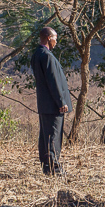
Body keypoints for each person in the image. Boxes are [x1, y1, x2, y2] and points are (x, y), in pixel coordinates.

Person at [31, 27, 72, 176]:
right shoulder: (46, 56)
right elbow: (53, 82)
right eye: (55, 37)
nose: (56, 41)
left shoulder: (37, 54)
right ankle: (53, 168)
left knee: (45, 137)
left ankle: (47, 168)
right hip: (53, 105)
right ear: (48, 38)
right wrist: (61, 102)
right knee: (53, 137)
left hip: (44, 104)